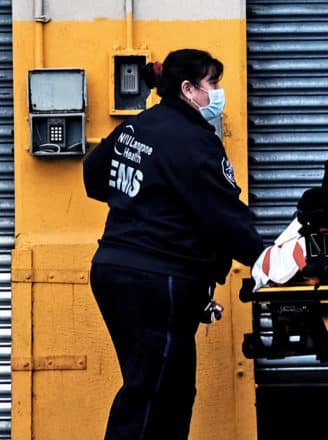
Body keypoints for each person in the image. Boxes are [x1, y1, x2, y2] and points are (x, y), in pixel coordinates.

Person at [83, 48, 265, 439]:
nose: (217, 94)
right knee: (151, 393)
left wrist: (137, 203)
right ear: (188, 89)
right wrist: (266, 259)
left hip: (116, 271)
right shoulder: (193, 142)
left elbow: (93, 175)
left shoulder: (138, 127)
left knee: (172, 390)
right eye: (212, 84)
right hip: (156, 280)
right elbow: (221, 214)